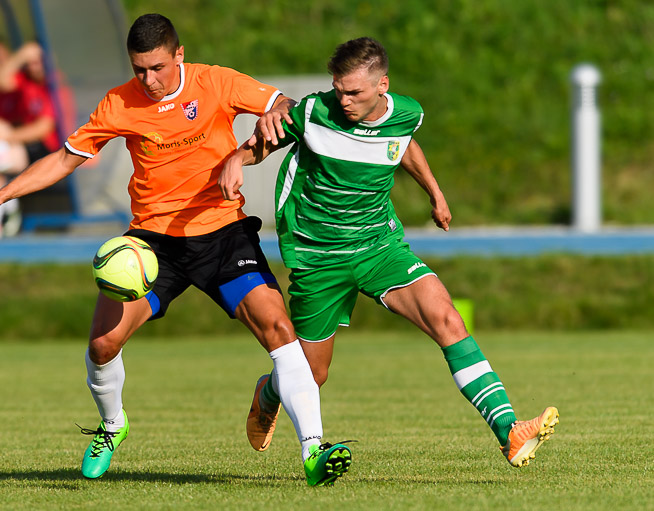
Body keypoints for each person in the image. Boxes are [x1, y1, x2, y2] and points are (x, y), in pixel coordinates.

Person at [0, 14, 351, 487]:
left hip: (221, 235)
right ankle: (112, 426)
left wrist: (274, 116)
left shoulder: (217, 82)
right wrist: (5, 193)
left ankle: (314, 451)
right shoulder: (118, 103)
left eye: (156, 68)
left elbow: (285, 105)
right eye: (139, 70)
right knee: (102, 344)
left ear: (178, 55)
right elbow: (68, 158)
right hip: (152, 245)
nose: (148, 80)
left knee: (278, 326)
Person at [219, 37, 559, 469]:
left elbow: (404, 145)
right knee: (312, 374)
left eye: (354, 93)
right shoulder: (312, 111)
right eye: (338, 89)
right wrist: (237, 158)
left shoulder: (407, 113)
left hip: (380, 246)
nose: (342, 100)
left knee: (447, 318)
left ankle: (508, 432)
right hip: (318, 255)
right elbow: (265, 140)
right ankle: (267, 395)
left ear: (383, 86)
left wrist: (434, 192)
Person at [0, 38, 59, 240]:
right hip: (18, 147)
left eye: (38, 61)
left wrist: (6, 136)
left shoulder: (53, 84)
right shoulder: (25, 80)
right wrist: (23, 54)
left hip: (49, 152)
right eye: (30, 62)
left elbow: (43, 128)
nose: (34, 66)